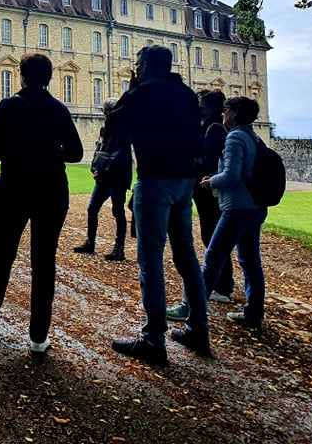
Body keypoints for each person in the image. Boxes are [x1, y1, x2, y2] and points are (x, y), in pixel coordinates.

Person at [0, 53, 83, 354]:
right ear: (48, 78)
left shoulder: (10, 106)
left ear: (21, 76)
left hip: (15, 190)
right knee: (44, 262)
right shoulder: (59, 109)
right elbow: (76, 153)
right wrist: (50, 151)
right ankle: (38, 337)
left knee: (3, 254)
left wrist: (18, 149)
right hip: (52, 191)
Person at [106, 45, 210, 365]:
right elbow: (199, 138)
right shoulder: (187, 94)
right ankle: (198, 328)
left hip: (154, 181)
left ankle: (153, 339)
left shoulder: (143, 91)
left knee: (151, 259)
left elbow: (114, 129)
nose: (135, 67)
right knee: (186, 256)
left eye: (137, 63)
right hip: (184, 182)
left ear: (148, 65)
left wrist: (133, 89)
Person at [200, 96, 267, 328]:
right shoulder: (253, 136)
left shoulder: (235, 137)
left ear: (236, 112)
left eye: (226, 109)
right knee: (250, 261)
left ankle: (193, 310)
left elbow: (231, 176)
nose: (222, 113)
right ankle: (254, 313)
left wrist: (211, 181)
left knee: (212, 257)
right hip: (256, 207)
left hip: (238, 207)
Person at [166, 89, 232, 322]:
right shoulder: (209, 125)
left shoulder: (214, 128)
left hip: (208, 187)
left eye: (202, 103)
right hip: (204, 187)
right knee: (211, 235)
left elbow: (208, 158)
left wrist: (189, 164)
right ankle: (222, 284)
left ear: (212, 107)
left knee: (212, 234)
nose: (199, 106)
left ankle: (223, 287)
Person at [74, 98, 132, 261]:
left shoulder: (123, 132)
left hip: (117, 177)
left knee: (117, 210)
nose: (104, 114)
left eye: (106, 111)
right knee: (92, 208)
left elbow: (120, 157)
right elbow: (99, 150)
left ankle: (119, 248)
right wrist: (95, 169)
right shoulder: (105, 129)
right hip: (104, 177)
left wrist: (102, 171)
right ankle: (90, 242)